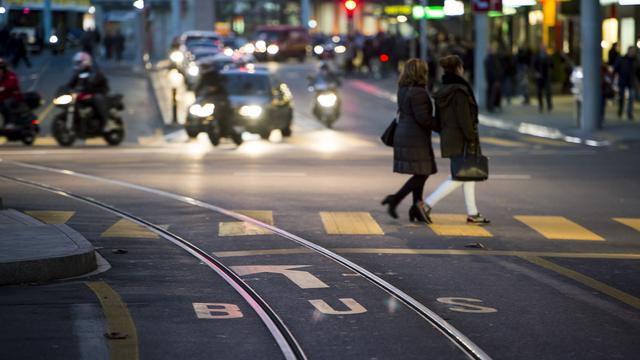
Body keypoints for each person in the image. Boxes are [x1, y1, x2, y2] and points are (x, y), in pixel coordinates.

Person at [423, 55, 490, 225]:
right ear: (459, 68)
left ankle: (472, 213)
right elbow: (464, 118)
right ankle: (427, 204)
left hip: (450, 136)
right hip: (462, 137)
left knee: (466, 172)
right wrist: (471, 137)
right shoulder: (460, 91)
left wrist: (446, 131)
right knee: (459, 176)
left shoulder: (443, 90)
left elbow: (438, 119)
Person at [381, 58, 438, 223]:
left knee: (420, 172)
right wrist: (440, 125)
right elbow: (423, 119)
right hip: (415, 137)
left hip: (405, 134)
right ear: (421, 73)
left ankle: (416, 208)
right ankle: (395, 199)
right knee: (423, 173)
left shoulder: (403, 89)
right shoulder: (419, 92)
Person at [65, 52, 111, 130]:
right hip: (85, 94)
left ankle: (106, 123)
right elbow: (70, 84)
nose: (77, 64)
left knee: (98, 99)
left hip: (98, 93)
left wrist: (88, 91)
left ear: (85, 61)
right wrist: (65, 89)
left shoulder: (94, 72)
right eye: (76, 63)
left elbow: (92, 85)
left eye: (78, 62)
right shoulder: (79, 73)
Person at [613, 46, 638, 120]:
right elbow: (616, 69)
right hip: (623, 80)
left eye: (633, 51)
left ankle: (629, 113)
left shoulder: (636, 60)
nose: (632, 53)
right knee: (621, 98)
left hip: (632, 81)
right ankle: (620, 111)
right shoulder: (622, 59)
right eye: (631, 51)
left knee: (631, 98)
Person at [0, 58, 22, 127]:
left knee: (6, 104)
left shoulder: (10, 75)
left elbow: (12, 82)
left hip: (12, 97)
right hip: (2, 98)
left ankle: (10, 122)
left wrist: (3, 87)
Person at [533, 44, 552, 112]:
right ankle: (541, 106)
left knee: (548, 91)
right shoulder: (537, 56)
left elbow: (551, 65)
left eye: (544, 47)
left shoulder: (548, 56)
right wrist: (536, 73)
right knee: (539, 92)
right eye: (542, 47)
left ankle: (549, 105)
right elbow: (534, 65)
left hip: (546, 76)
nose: (543, 49)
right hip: (539, 76)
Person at [484, 43, 502, 112]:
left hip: (493, 79)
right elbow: (492, 70)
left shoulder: (493, 58)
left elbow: (498, 68)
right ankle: (490, 106)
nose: (494, 50)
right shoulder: (489, 59)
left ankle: (492, 106)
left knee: (493, 93)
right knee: (492, 93)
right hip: (492, 79)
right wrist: (496, 78)